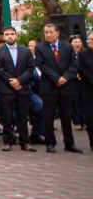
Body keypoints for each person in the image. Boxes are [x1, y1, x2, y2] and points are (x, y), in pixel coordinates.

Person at [34, 23, 83, 153]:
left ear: (57, 33)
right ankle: (50, 143)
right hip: (49, 86)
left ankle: (69, 143)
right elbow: (41, 65)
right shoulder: (40, 47)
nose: (48, 35)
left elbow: (74, 64)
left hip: (66, 86)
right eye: (46, 32)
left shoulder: (67, 47)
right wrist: (57, 78)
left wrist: (65, 77)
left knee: (66, 117)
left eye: (51, 32)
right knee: (48, 117)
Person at [0, 26, 36, 151]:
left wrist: (19, 80)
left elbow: (30, 68)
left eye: (12, 34)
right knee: (6, 116)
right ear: (3, 36)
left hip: (22, 87)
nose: (10, 36)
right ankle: (8, 141)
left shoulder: (25, 51)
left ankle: (25, 142)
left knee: (23, 115)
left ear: (16, 35)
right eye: (7, 34)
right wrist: (11, 81)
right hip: (6, 88)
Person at [77, 31, 93, 150]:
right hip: (89, 89)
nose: (90, 41)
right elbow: (80, 69)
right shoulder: (83, 54)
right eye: (89, 39)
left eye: (92, 39)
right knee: (90, 118)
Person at [70, 35, 86, 130]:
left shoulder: (84, 53)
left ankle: (85, 120)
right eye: (75, 42)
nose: (77, 44)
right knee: (75, 102)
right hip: (73, 81)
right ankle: (77, 121)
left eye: (79, 42)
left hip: (84, 80)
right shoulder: (68, 55)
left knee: (84, 101)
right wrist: (76, 74)